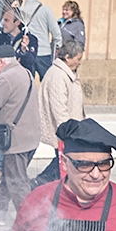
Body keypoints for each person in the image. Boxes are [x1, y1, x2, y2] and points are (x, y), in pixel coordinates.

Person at [0, 44, 42, 223]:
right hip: (30, 137)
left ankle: (32, 223)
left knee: (18, 184)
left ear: (2, 62)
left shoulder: (5, 79)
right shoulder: (25, 72)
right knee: (10, 175)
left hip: (15, 140)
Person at [35, 40, 87, 183]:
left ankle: (43, 185)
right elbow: (59, 109)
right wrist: (67, 132)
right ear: (67, 57)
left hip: (71, 128)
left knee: (64, 162)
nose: (80, 62)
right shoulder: (58, 76)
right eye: (78, 59)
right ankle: (38, 184)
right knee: (63, 163)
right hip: (64, 130)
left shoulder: (68, 73)